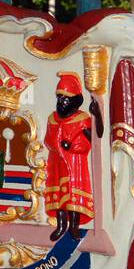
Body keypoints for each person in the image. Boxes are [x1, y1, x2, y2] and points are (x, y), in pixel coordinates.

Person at [44, 72, 102, 241]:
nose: (61, 102)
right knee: (59, 197)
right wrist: (58, 144)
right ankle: (61, 225)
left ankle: (74, 226)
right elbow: (48, 140)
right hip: (56, 163)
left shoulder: (82, 119)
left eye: (66, 99)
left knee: (72, 193)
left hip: (75, 164)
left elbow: (95, 137)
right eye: (59, 98)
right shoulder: (52, 118)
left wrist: (97, 116)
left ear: (75, 100)